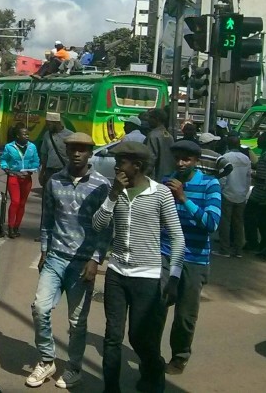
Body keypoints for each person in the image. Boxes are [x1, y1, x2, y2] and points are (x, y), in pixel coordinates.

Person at [93, 141, 185, 393]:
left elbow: (177, 237)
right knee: (112, 336)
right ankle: (111, 388)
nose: (116, 165)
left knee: (139, 337)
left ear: (137, 165)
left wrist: (174, 277)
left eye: (121, 161)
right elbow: (98, 226)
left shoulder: (160, 194)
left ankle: (154, 371)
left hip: (148, 277)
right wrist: (112, 195)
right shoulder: (114, 191)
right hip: (117, 274)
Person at [26, 132, 111, 389]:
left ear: (90, 152)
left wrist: (96, 259)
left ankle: (74, 367)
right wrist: (44, 250)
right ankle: (46, 359)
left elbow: (106, 228)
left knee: (77, 321)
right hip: (55, 258)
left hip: (82, 262)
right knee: (40, 308)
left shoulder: (101, 185)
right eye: (72, 148)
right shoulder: (54, 182)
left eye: (82, 149)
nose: (76, 153)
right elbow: (47, 220)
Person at [160, 140, 222, 376]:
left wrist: (184, 198)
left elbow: (211, 224)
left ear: (196, 161)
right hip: (165, 254)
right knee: (156, 307)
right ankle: (152, 355)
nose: (181, 163)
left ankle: (179, 356)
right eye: (177, 158)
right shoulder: (166, 181)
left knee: (185, 316)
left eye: (186, 159)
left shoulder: (210, 185)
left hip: (195, 259)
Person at [0, 124, 40, 238]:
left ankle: (17, 227)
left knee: (22, 204)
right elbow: (3, 159)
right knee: (15, 202)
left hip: (27, 178)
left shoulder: (32, 147)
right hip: (14, 176)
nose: (27, 136)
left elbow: (36, 161)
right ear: (17, 135)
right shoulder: (9, 147)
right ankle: (11, 227)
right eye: (24, 134)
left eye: (28, 134)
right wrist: (7, 169)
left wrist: (30, 170)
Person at [215, 134, 251, 258]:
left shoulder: (225, 157)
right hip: (241, 194)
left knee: (225, 222)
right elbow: (248, 177)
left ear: (228, 144)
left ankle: (224, 249)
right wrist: (245, 191)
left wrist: (220, 190)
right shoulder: (246, 159)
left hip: (227, 193)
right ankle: (238, 250)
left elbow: (223, 177)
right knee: (238, 223)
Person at [244, 132, 266, 253]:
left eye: (260, 139)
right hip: (263, 193)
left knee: (250, 217)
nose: (257, 141)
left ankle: (253, 242)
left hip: (260, 194)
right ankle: (260, 243)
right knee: (261, 220)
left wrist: (254, 176)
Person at [38, 112, 71, 191]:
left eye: (49, 124)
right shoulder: (47, 135)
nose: (47, 127)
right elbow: (44, 155)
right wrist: (42, 173)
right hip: (50, 171)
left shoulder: (70, 135)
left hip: (64, 170)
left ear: (56, 123)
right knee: (47, 194)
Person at [144, 108, 175, 182]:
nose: (148, 120)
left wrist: (143, 177)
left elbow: (149, 160)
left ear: (156, 119)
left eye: (150, 117)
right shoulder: (169, 136)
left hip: (155, 180)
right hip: (168, 179)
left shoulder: (153, 136)